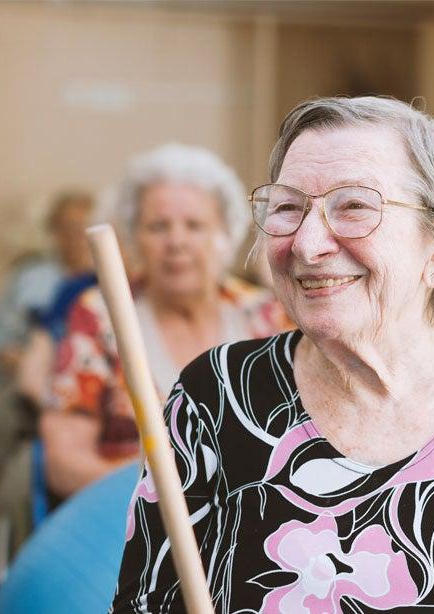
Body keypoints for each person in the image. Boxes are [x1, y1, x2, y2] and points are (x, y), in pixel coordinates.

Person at [112, 97, 434, 612]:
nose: (306, 243)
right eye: (289, 208)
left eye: (355, 207)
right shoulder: (215, 394)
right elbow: (145, 601)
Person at [42, 143, 291, 500]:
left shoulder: (268, 316)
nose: (176, 241)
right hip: (127, 518)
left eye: (194, 225)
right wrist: (169, 493)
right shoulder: (100, 316)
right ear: (134, 237)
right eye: (158, 226)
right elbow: (63, 464)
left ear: (226, 235)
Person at [0, 191, 95, 371]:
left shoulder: (110, 281)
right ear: (54, 232)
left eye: (87, 227)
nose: (79, 236)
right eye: (69, 228)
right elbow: (1, 341)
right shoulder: (29, 276)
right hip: (27, 374)